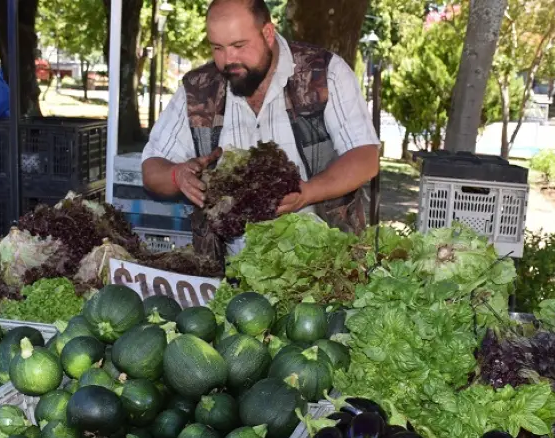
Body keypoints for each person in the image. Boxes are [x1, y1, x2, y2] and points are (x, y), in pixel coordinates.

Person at [141, 0, 380, 264]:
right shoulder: (198, 89)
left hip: (326, 264)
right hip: (229, 272)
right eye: (217, 48)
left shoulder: (325, 73)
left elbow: (365, 157)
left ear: (267, 33)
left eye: (239, 46)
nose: (228, 60)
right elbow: (152, 168)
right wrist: (177, 175)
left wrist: (307, 193)